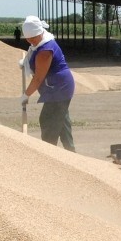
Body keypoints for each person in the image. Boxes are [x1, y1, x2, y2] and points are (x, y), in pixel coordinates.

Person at [21, 15, 76, 152]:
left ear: (40, 33)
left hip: (59, 88)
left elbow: (38, 78)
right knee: (62, 122)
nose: (31, 41)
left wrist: (26, 94)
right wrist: (26, 63)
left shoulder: (45, 49)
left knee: (48, 121)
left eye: (33, 38)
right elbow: (34, 56)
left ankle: (49, 153)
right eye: (28, 39)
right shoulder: (40, 43)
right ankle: (72, 153)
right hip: (56, 87)